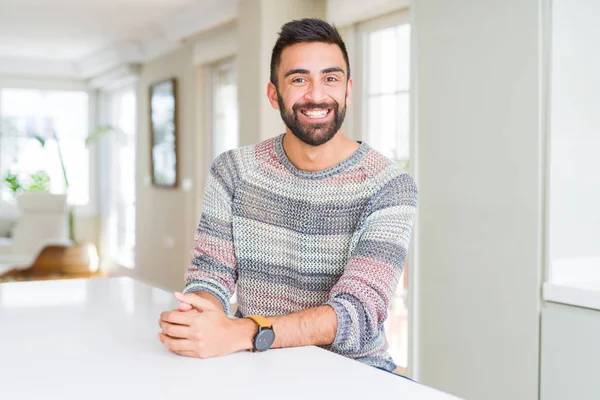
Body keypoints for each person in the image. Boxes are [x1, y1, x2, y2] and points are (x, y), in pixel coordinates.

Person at [158, 17, 417, 373]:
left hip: (354, 375)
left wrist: (246, 332)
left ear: (348, 90)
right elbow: (210, 274)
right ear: (273, 93)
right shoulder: (233, 171)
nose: (316, 94)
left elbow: (358, 313)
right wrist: (200, 314)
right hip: (255, 368)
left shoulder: (389, 186)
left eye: (330, 78)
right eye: (299, 79)